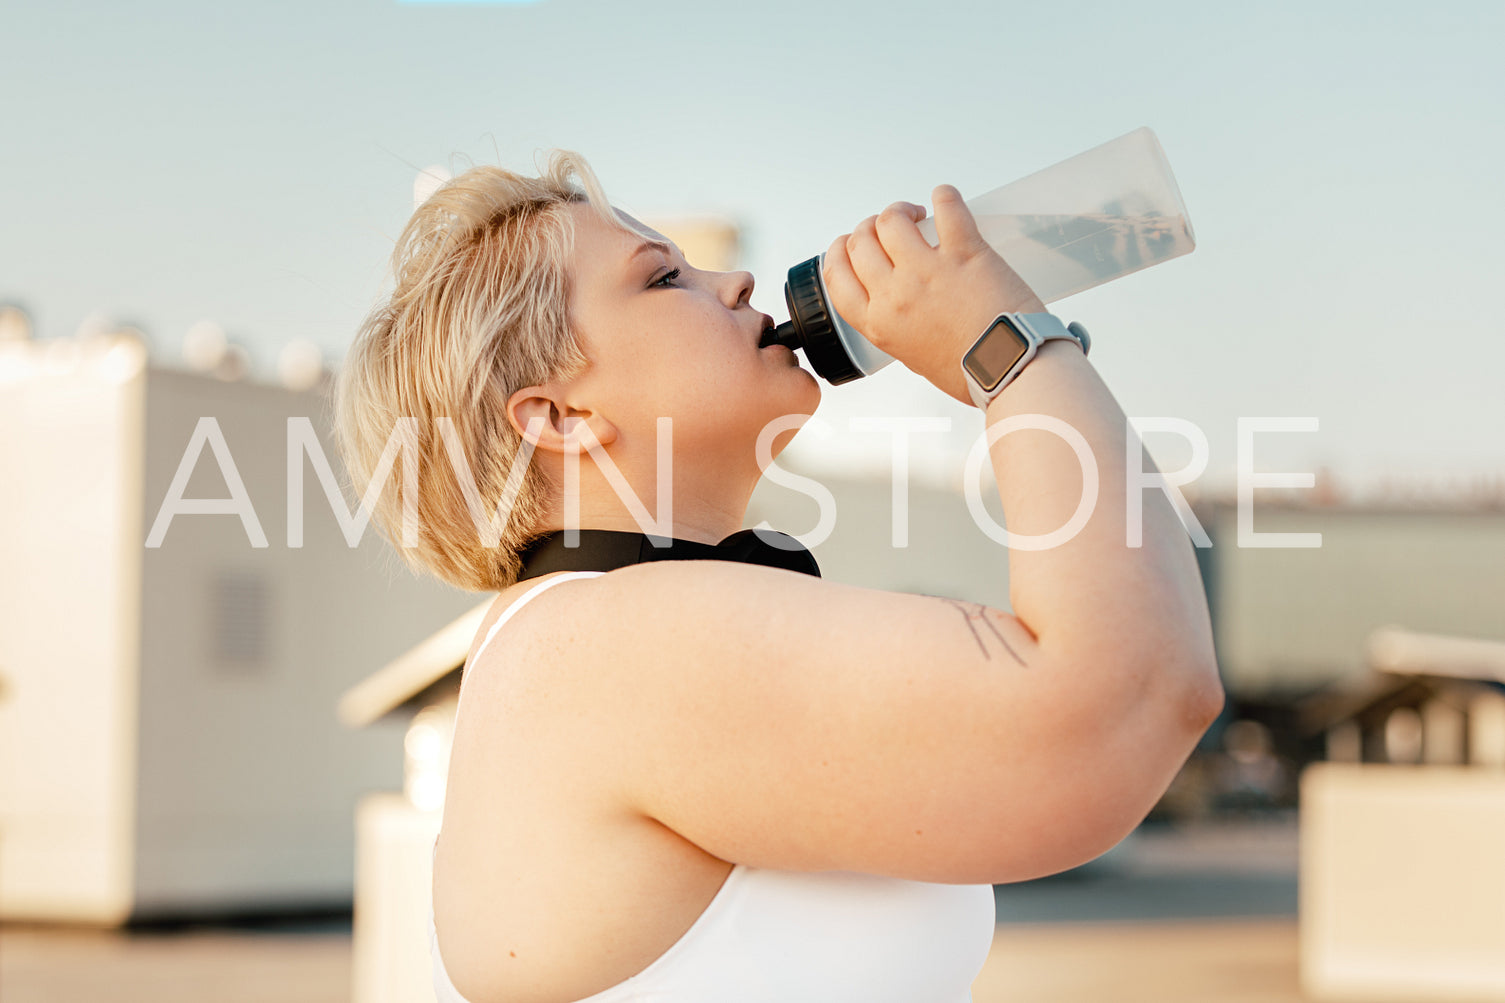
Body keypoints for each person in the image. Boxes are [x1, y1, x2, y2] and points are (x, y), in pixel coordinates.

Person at [334, 150, 1222, 1003]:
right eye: (662, 278)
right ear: (560, 416)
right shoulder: (602, 643)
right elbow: (1129, 696)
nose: (738, 284)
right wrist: (1007, 346)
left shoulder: (601, 630)